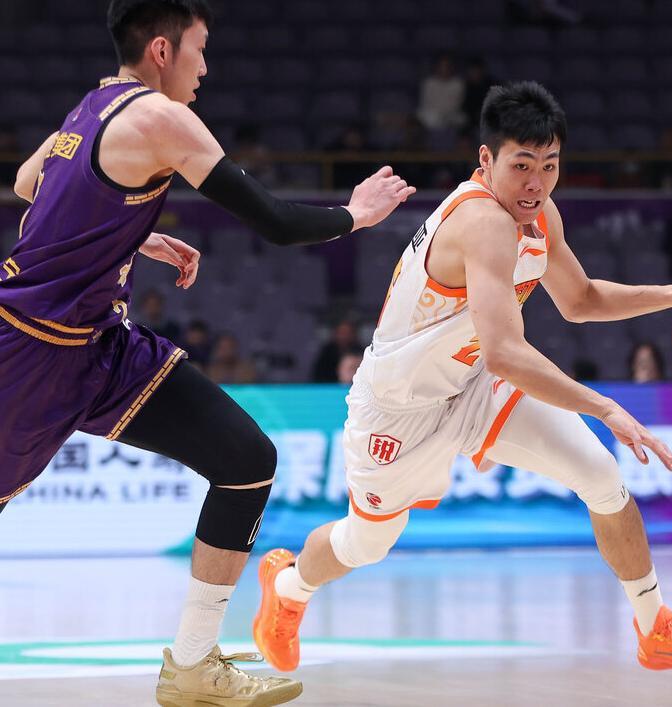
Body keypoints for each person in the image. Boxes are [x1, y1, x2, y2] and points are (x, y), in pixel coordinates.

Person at [0, 2, 414, 705]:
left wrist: (127, 236)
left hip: (101, 346)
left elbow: (28, 182)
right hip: (32, 352)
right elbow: (274, 221)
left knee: (246, 460)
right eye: (198, 49)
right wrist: (356, 215)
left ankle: (192, 664)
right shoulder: (162, 118)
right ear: (162, 50)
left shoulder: (91, 105)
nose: (205, 67)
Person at [253, 81, 672, 680]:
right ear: (486, 159)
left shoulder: (539, 212)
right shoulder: (482, 220)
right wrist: (605, 407)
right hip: (400, 406)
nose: (536, 183)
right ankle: (288, 588)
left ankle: (654, 628)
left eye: (550, 166)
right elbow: (508, 352)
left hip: (476, 382)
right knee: (365, 544)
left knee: (601, 477)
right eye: (522, 166)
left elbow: (581, 300)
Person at [309, 318, 362, 383]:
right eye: (341, 333)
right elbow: (318, 376)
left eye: (348, 333)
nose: (344, 336)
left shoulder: (362, 352)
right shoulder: (327, 353)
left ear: (354, 334)